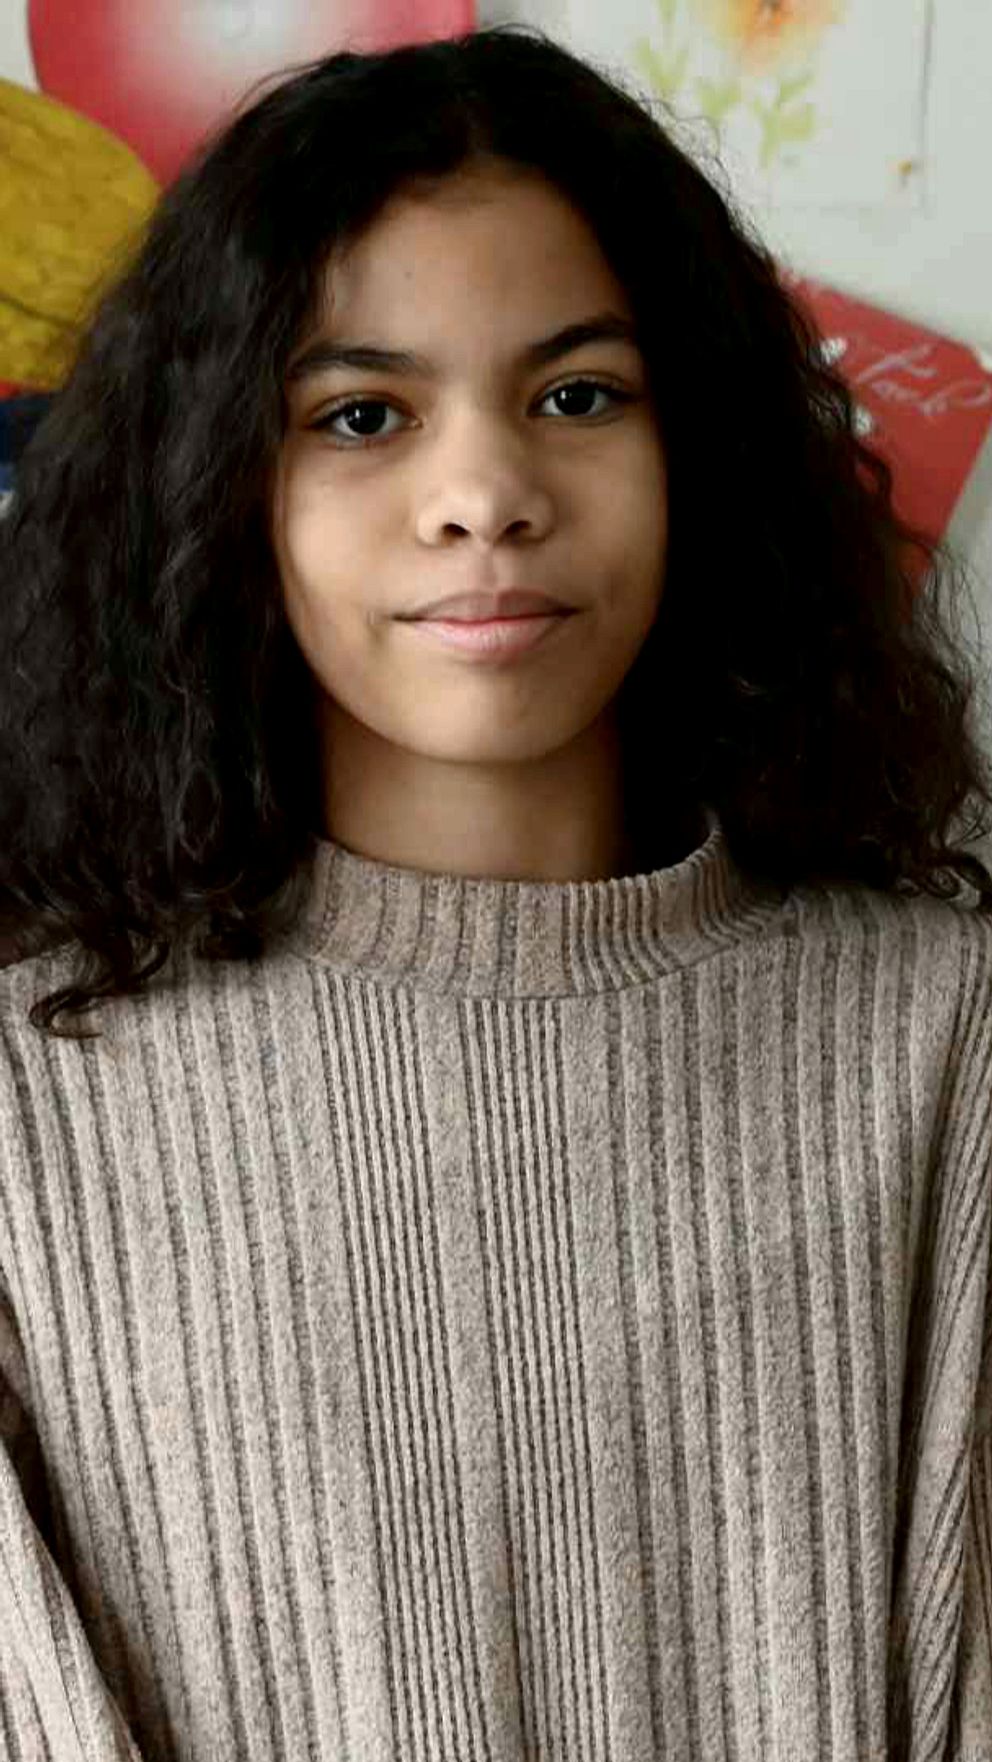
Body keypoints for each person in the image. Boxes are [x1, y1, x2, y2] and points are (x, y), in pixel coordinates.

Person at [0, 23, 991, 1762]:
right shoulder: (27, 1096)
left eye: (579, 394)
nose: (485, 496)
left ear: (703, 446)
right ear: (222, 487)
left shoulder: (942, 1034)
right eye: (361, 415)